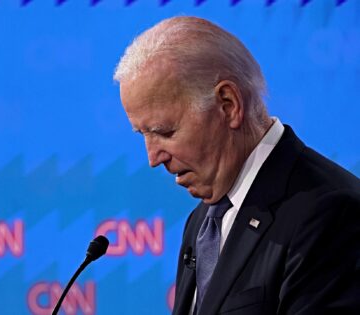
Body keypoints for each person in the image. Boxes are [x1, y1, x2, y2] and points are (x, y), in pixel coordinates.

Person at [113, 16, 360, 315]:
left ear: (228, 105)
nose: (153, 158)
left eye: (165, 132)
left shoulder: (330, 213)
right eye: (143, 134)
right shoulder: (202, 222)